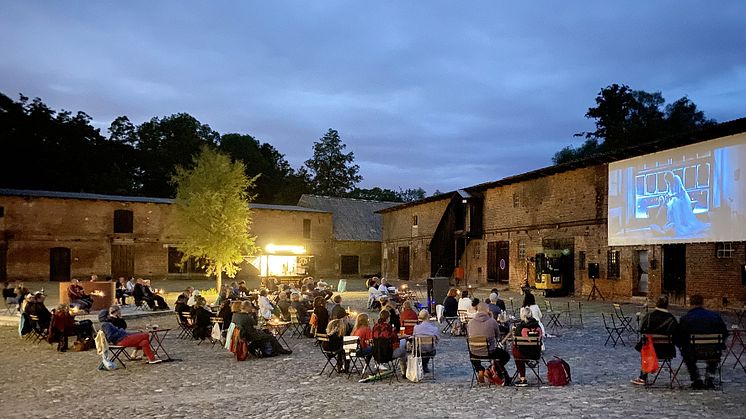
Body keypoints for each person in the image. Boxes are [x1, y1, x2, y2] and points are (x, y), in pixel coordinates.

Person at [675, 294, 728, 389]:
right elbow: (724, 333)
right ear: (702, 303)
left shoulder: (685, 319)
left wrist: (682, 346)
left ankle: (696, 379)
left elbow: (680, 337)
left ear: (690, 304)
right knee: (713, 353)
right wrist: (719, 344)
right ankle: (710, 377)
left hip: (693, 352)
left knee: (686, 354)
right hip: (713, 351)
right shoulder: (715, 317)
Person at [631, 294, 679, 385]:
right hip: (667, 351)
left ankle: (643, 376)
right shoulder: (671, 319)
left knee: (645, 344)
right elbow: (676, 335)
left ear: (656, 304)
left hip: (649, 351)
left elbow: (641, 331)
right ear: (667, 305)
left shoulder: (649, 316)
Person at [650, 171, 708, 237]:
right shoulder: (669, 183)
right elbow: (669, 192)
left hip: (681, 198)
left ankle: (678, 224)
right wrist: (667, 195)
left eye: (668, 180)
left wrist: (671, 196)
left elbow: (678, 193)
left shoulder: (676, 179)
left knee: (675, 204)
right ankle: (672, 223)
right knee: (671, 205)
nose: (668, 182)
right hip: (675, 199)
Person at [467, 302, 511, 384]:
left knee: (472, 352)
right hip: (489, 352)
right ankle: (490, 370)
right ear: (487, 310)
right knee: (506, 356)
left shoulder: (471, 323)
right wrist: (491, 318)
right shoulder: (492, 321)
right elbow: (497, 336)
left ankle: (480, 369)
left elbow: (469, 335)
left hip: (474, 352)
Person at [513, 307, 543, 387]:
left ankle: (522, 377)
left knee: (515, 348)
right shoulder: (538, 327)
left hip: (522, 354)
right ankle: (529, 362)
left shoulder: (519, 328)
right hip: (535, 354)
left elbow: (515, 341)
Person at [371, 309, 407, 377]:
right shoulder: (388, 328)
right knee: (403, 350)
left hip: (377, 354)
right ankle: (404, 372)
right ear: (388, 318)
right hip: (388, 354)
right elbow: (395, 341)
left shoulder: (375, 327)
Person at [413, 309, 440, 373]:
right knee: (428, 348)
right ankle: (424, 365)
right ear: (428, 316)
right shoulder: (434, 329)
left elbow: (414, 337)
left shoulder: (416, 328)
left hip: (418, 350)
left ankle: (423, 365)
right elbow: (437, 339)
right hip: (430, 350)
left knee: (421, 347)